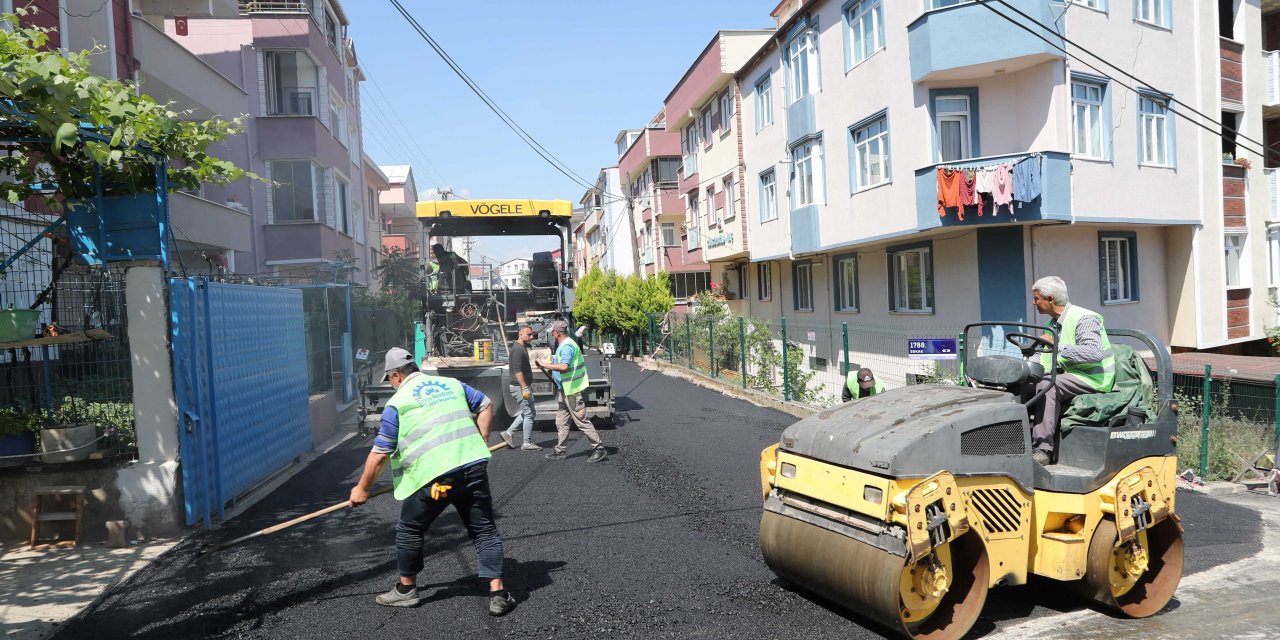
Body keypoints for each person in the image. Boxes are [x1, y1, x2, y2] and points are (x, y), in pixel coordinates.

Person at [348, 347, 516, 616]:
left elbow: (380, 454)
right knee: (484, 530)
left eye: (390, 380)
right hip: (471, 469)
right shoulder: (450, 384)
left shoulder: (397, 404)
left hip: (436, 482)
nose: (392, 385)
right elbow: (486, 405)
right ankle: (498, 594)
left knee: (410, 529)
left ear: (396, 376)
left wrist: (361, 488)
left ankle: (406, 591)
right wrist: (481, 442)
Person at [1029, 276, 1115, 466]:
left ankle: (1043, 449)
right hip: (1071, 374)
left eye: (1036, 298)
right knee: (1022, 382)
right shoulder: (1052, 324)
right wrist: (1024, 368)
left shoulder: (1084, 318)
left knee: (1047, 385)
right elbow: (1042, 354)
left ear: (1050, 299)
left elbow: (1094, 352)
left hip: (1094, 378)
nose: (1033, 302)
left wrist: (1058, 346)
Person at [537, 320, 607, 463]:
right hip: (565, 390)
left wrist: (546, 365)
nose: (551, 333)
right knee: (561, 421)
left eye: (552, 331)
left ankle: (599, 448)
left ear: (557, 333)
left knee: (582, 421)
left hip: (572, 390)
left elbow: (564, 367)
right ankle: (560, 450)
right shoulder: (564, 344)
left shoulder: (567, 346)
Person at [500, 325, 541, 451]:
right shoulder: (517, 350)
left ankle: (508, 433)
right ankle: (526, 443)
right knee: (529, 414)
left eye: (531, 334)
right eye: (528, 334)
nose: (531, 337)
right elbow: (517, 371)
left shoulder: (521, 348)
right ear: (521, 334)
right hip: (519, 387)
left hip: (521, 387)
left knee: (529, 412)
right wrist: (524, 387)